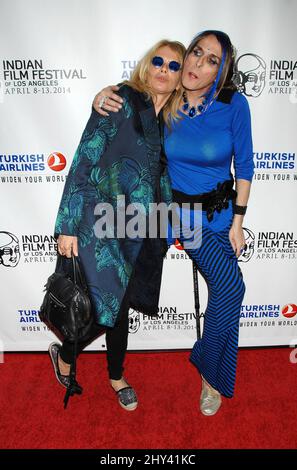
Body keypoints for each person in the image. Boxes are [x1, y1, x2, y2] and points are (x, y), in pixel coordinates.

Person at [94, 30, 254, 416]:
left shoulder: (234, 104)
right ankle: (207, 365)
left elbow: (245, 165)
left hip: (220, 215)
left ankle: (208, 373)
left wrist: (238, 221)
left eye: (211, 60)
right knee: (233, 286)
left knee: (227, 296)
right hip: (180, 216)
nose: (198, 64)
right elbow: (129, 101)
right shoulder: (167, 103)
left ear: (222, 69)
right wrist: (102, 95)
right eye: (196, 53)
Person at [50, 39, 185, 411]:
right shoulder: (120, 100)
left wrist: (167, 222)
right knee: (99, 305)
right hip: (98, 223)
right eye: (158, 61)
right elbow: (82, 160)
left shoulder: (167, 121)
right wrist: (67, 225)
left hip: (139, 229)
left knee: (120, 305)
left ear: (179, 79)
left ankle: (114, 373)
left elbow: (161, 177)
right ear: (146, 65)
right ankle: (68, 355)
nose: (164, 69)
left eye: (174, 66)